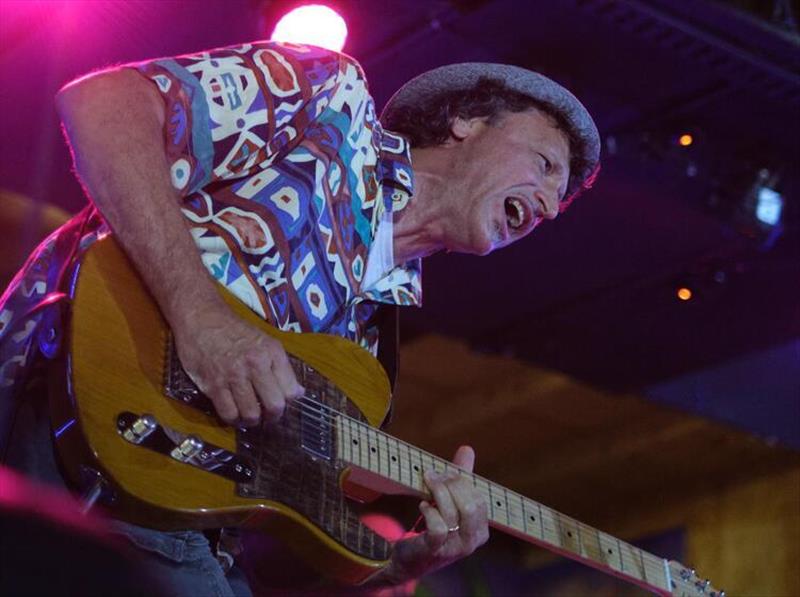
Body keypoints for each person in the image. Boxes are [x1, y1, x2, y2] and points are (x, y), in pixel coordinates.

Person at [0, 40, 599, 595]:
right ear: (467, 120)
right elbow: (102, 104)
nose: (549, 207)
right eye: (545, 165)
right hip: (63, 407)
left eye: (561, 200)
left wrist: (400, 563)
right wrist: (201, 316)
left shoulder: (373, 339)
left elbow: (273, 513)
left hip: (175, 514)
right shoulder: (335, 104)